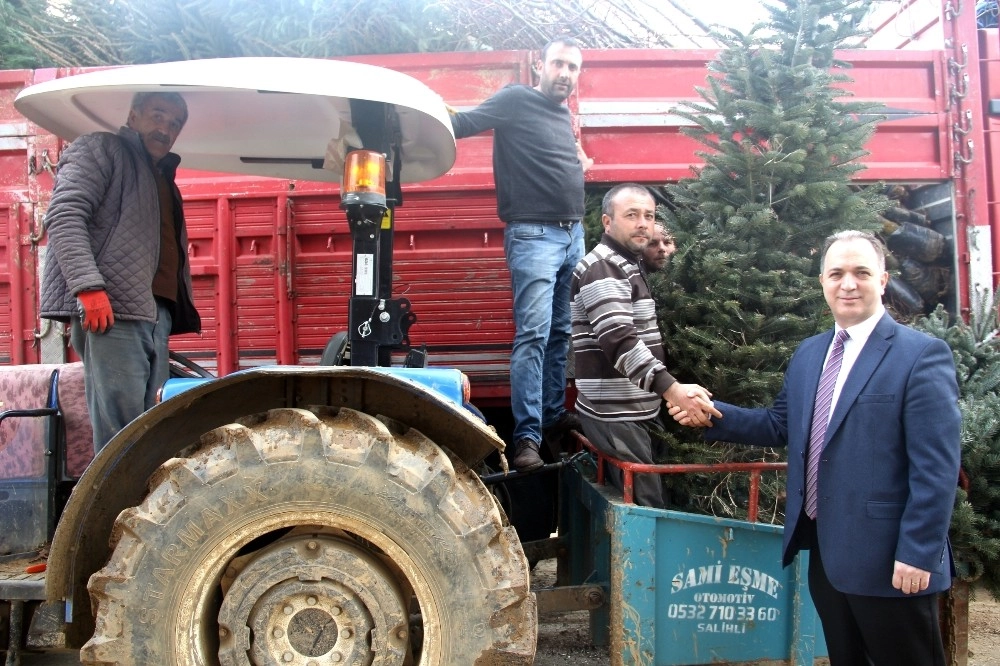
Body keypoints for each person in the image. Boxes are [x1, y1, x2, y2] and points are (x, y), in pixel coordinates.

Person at [671, 230, 961, 665]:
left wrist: (917, 553)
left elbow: (936, 469)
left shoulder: (921, 355)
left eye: (861, 272)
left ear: (882, 280)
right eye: (837, 273)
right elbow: (780, 424)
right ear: (822, 282)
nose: (848, 284)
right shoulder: (811, 354)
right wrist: (711, 412)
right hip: (828, 555)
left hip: (893, 562)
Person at [450, 37, 591, 471]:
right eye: (558, 64)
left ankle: (550, 416)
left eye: (572, 67)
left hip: (573, 234)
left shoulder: (561, 113)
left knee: (561, 334)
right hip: (534, 234)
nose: (564, 73)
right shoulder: (516, 100)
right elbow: (463, 123)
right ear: (540, 67)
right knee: (533, 335)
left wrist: (579, 157)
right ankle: (526, 438)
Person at [40, 92, 201, 453]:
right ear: (133, 115)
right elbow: (64, 216)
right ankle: (114, 510)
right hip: (114, 311)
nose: (165, 128)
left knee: (150, 430)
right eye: (158, 116)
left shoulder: (158, 173)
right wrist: (88, 288)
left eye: (174, 123)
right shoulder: (100, 148)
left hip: (153, 311)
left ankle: (141, 507)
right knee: (123, 434)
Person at [571, 183, 720, 507]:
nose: (643, 223)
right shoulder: (604, 267)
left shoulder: (627, 263)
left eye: (649, 216)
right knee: (644, 510)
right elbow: (619, 341)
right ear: (607, 222)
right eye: (632, 215)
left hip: (633, 409)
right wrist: (672, 389)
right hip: (616, 414)